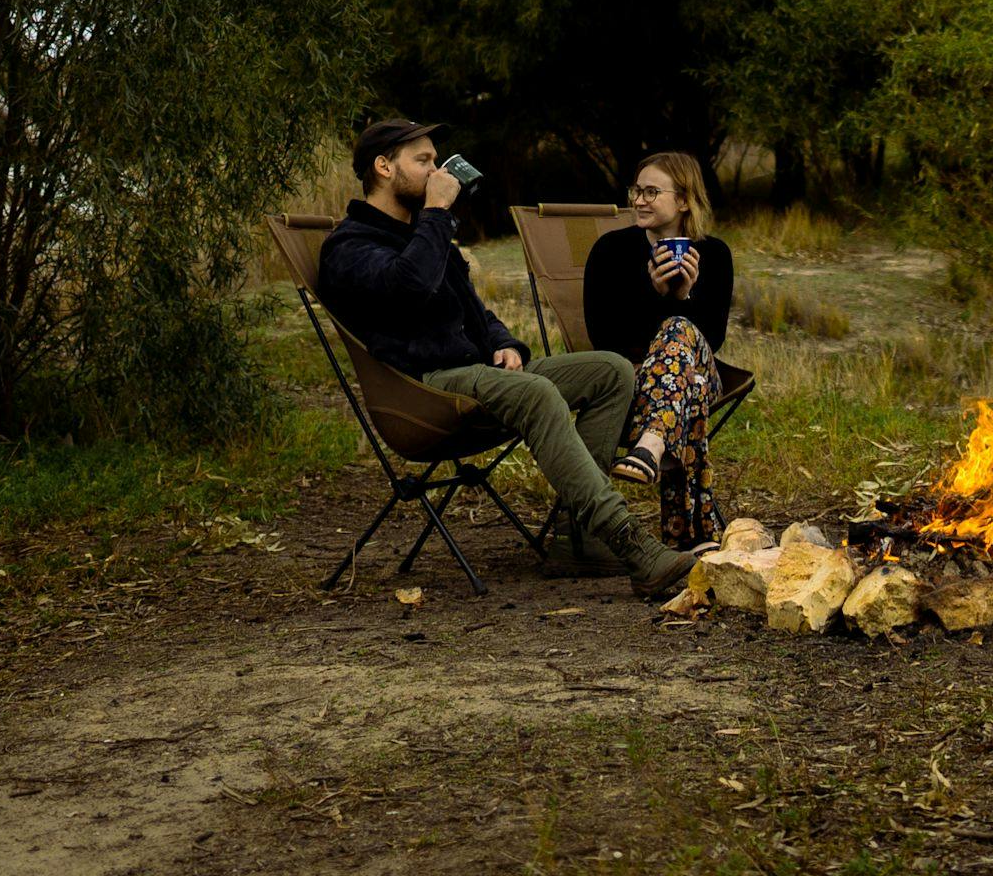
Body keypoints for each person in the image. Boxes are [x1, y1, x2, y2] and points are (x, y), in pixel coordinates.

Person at [316, 119, 694, 595]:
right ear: (383, 167)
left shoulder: (424, 231)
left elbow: (475, 309)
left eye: (436, 160)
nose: (439, 170)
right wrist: (436, 213)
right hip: (426, 386)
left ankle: (579, 542)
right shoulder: (351, 245)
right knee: (536, 392)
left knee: (611, 371)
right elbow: (409, 286)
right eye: (424, 161)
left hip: (480, 372)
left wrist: (506, 343)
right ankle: (631, 544)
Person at [581, 152, 738, 545]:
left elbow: (712, 339)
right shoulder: (610, 251)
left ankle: (649, 447)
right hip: (633, 378)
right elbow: (603, 338)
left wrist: (682, 297)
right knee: (692, 389)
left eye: (652, 192)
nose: (638, 200)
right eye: (637, 190)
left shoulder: (714, 254)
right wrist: (653, 294)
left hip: (695, 364)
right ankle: (692, 537)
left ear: (683, 200)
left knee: (680, 326)